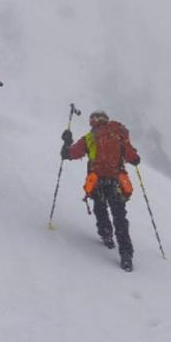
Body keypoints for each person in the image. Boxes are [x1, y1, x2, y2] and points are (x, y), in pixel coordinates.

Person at [61, 110, 141, 271]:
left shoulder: (89, 138)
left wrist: (67, 141)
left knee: (100, 208)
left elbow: (68, 154)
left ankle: (106, 235)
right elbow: (134, 159)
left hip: (97, 181)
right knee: (120, 217)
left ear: (93, 121)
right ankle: (126, 255)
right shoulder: (119, 133)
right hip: (116, 181)